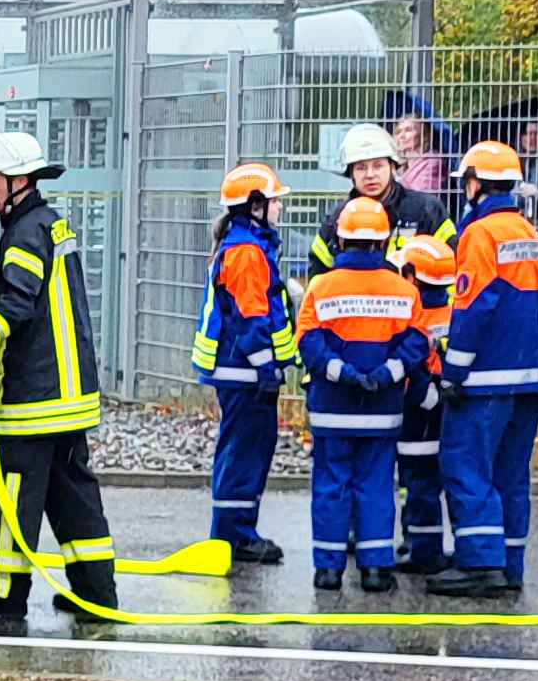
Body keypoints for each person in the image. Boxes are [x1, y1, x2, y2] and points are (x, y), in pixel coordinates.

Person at [0, 130, 118, 631]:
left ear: (21, 181)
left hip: (34, 398)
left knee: (11, 499)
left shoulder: (24, 233)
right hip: (69, 396)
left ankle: (3, 595)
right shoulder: (50, 223)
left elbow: (15, 306)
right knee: (73, 494)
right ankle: (94, 591)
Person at [428, 142, 538, 596]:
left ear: (473, 183)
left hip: (484, 379)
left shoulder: (479, 235)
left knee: (465, 465)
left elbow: (474, 306)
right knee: (512, 473)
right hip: (526, 374)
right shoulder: (528, 232)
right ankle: (510, 563)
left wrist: (453, 371)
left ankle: (480, 563)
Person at [297, 196, 426, 592]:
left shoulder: (321, 287)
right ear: (383, 243)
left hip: (332, 409)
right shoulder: (403, 290)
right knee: (375, 486)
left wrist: (344, 374)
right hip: (382, 410)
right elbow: (418, 342)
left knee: (331, 485)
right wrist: (387, 374)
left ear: (340, 242)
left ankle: (328, 570)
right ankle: (374, 569)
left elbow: (308, 342)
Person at [193, 162, 294, 565]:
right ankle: (235, 536)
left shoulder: (243, 246)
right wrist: (268, 369)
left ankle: (235, 531)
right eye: (274, 202)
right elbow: (252, 318)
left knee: (243, 449)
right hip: (245, 370)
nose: (279, 209)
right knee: (245, 452)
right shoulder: (248, 253)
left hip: (239, 370)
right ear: (255, 205)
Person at [393, 230, 458, 574]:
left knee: (415, 482)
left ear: (411, 276)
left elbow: (411, 364)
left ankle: (421, 549)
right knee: (432, 481)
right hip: (448, 409)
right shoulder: (453, 314)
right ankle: (427, 544)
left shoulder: (411, 315)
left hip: (417, 413)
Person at [310, 121, 451, 273]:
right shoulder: (338, 219)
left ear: (392, 167)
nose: (370, 175)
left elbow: (450, 264)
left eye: (378, 165)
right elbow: (318, 276)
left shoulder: (426, 211)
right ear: (351, 173)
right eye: (361, 167)